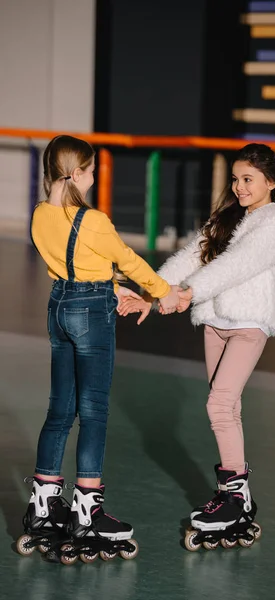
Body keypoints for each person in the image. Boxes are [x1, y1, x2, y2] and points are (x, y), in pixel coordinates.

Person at [120, 143, 275, 550]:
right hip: (215, 323)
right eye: (235, 179)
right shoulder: (227, 218)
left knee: (218, 404)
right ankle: (237, 496)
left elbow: (239, 265)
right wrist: (153, 292)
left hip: (250, 323)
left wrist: (187, 293)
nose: (239, 187)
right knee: (226, 406)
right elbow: (191, 256)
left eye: (248, 179)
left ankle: (234, 496)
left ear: (271, 182)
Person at [17, 135, 179, 564]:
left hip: (59, 305)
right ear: (77, 173)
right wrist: (163, 293)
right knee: (93, 411)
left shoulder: (39, 215)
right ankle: (87, 509)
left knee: (59, 410)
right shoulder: (93, 220)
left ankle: (43, 507)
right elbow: (127, 258)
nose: (94, 177)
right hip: (91, 312)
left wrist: (114, 288)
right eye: (91, 170)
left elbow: (70, 265)